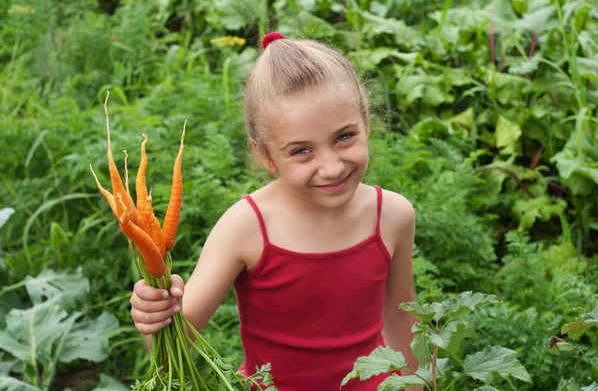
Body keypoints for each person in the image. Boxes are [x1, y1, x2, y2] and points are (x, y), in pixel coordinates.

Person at [130, 32, 420, 391]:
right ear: (265, 155)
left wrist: (419, 384)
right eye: (301, 151)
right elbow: (173, 342)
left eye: (344, 137)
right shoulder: (247, 226)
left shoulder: (392, 214)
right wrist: (156, 314)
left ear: (366, 121)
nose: (331, 167)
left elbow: (400, 318)